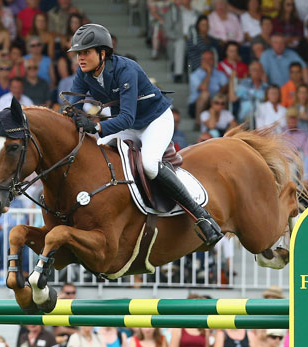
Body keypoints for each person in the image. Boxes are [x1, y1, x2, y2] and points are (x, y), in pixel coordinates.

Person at [65, 23, 222, 245]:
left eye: (85, 52)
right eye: (78, 53)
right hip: (127, 125)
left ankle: (202, 217)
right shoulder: (84, 74)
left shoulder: (125, 69)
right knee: (96, 151)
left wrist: (97, 127)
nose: (80, 58)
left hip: (155, 120)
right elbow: (73, 108)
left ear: (102, 53)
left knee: (149, 164)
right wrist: (72, 117)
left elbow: (127, 117)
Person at [188, 49, 228, 124]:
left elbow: (225, 86)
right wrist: (209, 73)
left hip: (214, 102)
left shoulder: (219, 74)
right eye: (205, 59)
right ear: (201, 61)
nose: (207, 61)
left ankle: (223, 124)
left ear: (214, 61)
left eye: (210, 59)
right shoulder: (194, 75)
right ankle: (198, 123)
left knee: (224, 98)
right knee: (205, 94)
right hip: (196, 106)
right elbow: (204, 88)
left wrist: (217, 96)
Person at [164, 0, 198, 83]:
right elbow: (167, 31)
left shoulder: (197, 13)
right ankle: (178, 73)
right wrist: (178, 37)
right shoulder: (173, 13)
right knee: (181, 43)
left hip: (195, 39)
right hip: (178, 39)